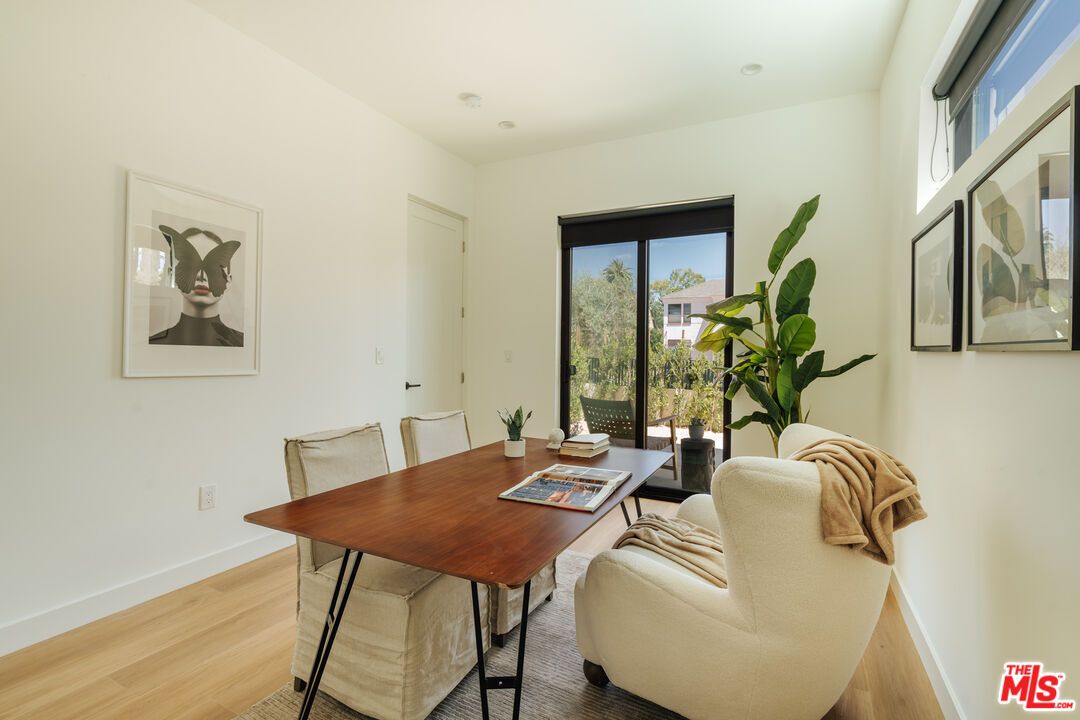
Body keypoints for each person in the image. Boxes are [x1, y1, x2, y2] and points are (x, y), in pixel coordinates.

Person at [149, 225, 244, 347]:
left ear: (228, 280)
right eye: (189, 265)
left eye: (214, 268)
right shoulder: (155, 344)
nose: (201, 276)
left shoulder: (240, 343)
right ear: (172, 275)